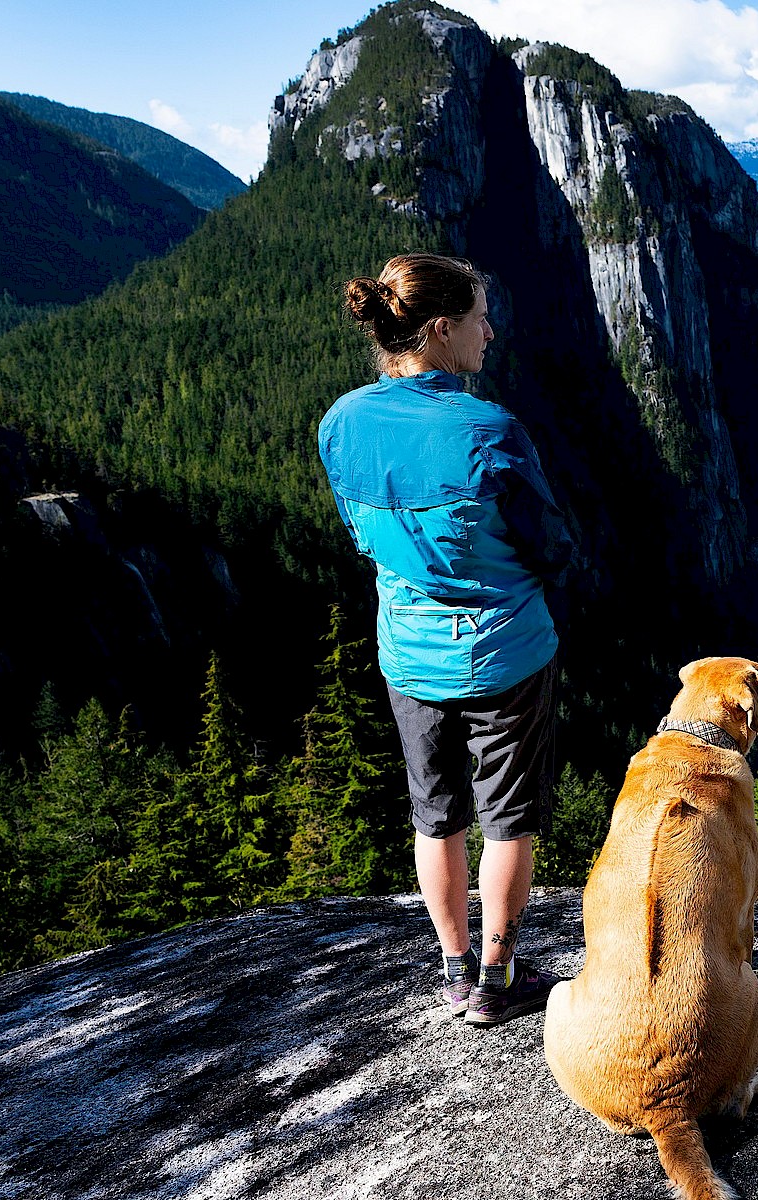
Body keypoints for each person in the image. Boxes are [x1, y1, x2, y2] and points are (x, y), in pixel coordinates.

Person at [318, 253, 577, 1026]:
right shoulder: (486, 430)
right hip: (505, 651)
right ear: (440, 329)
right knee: (509, 818)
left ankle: (455, 971)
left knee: (436, 814)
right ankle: (497, 984)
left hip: (408, 651)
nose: (489, 333)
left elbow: (363, 534)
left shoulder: (342, 422)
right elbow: (551, 545)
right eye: (477, 319)